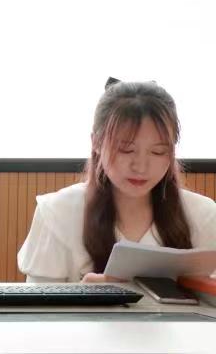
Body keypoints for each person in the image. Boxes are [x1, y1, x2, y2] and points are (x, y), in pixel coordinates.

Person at [18, 79, 216, 283]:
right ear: (96, 142)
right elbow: (41, 302)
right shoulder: (57, 213)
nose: (141, 166)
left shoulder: (203, 215)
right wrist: (85, 296)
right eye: (126, 150)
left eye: (158, 152)